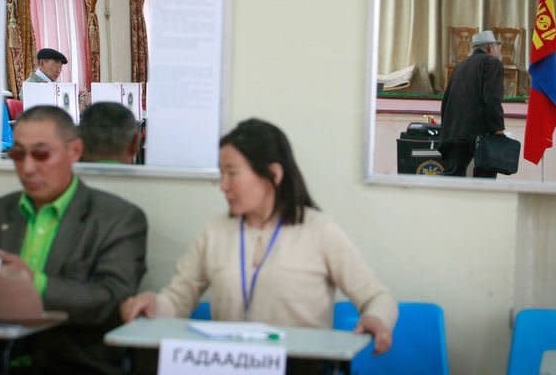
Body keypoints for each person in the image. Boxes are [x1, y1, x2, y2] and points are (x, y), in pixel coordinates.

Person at [120, 118, 398, 365]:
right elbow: (179, 298)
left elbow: (376, 297)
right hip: (228, 365)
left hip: (300, 366)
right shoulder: (215, 231)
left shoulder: (319, 231)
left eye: (232, 173)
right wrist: (154, 304)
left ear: (273, 175)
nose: (223, 185)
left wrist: (377, 318)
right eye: (221, 173)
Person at [0, 105, 148, 375]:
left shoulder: (117, 219)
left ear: (75, 151)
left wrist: (32, 284)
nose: (27, 168)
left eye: (41, 154)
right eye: (18, 155)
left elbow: (112, 301)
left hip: (72, 364)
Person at [440, 30, 505, 178]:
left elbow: (447, 99)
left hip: (455, 132)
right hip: (479, 133)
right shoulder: (492, 63)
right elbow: (492, 99)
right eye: (497, 46)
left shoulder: (460, 66)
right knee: (485, 179)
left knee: (452, 179)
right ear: (489, 47)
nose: (498, 50)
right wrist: (498, 128)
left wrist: (447, 129)